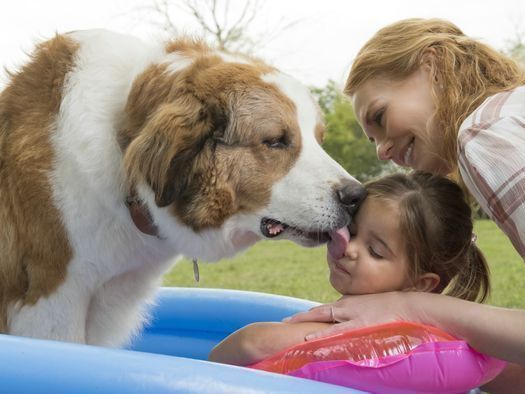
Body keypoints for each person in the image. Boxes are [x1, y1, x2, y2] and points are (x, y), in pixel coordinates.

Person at [284, 18, 525, 392]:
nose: (382, 150)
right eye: (372, 140)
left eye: (379, 116)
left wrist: (411, 307)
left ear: (432, 65)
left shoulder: (485, 136)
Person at [209, 171, 490, 366]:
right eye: (351, 231)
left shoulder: (391, 335)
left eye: (375, 251)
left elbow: (251, 343)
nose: (351, 248)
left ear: (421, 285)